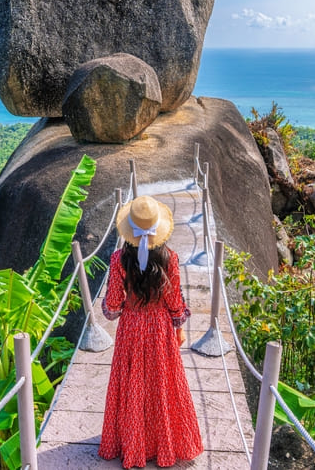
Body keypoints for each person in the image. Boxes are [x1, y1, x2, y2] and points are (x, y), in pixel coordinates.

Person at [98, 195, 204, 468]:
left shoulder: (118, 259)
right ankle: (161, 443)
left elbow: (112, 306)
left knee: (132, 383)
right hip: (159, 329)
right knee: (161, 385)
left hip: (131, 328)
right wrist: (178, 326)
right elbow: (174, 303)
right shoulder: (170, 258)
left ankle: (134, 443)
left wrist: (120, 306)